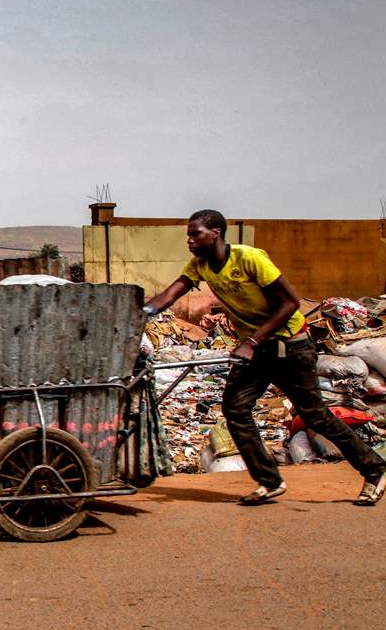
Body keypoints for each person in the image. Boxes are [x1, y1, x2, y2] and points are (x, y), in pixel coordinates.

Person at [145, 209, 386, 505]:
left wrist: (251, 340)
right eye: (188, 235)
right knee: (235, 409)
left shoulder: (249, 258)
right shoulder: (201, 266)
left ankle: (374, 470)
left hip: (289, 345)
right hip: (257, 349)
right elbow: (169, 295)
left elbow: (289, 303)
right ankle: (269, 480)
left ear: (216, 233)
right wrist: (139, 311)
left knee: (315, 416)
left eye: (195, 234)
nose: (190, 240)